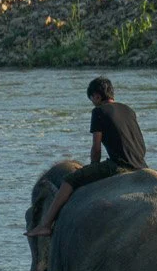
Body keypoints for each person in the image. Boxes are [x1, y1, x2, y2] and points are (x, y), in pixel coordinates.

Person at [27, 77, 146, 238]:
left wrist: (93, 168)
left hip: (119, 165)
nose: (93, 102)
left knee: (69, 180)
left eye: (92, 99)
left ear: (97, 96)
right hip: (141, 164)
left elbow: (96, 147)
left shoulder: (99, 111)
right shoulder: (128, 110)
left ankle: (45, 225)